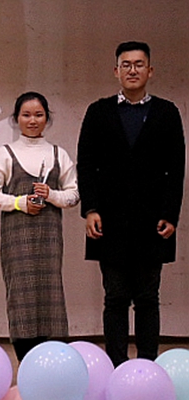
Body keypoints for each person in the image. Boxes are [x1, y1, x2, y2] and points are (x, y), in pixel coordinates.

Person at [77, 41, 185, 366]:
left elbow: (176, 168)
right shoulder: (98, 111)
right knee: (115, 298)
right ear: (116, 71)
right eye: (126, 64)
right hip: (109, 221)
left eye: (139, 64)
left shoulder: (167, 112)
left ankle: (149, 365)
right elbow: (86, 164)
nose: (133, 70)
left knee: (148, 298)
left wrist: (170, 214)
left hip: (153, 222)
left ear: (150, 71)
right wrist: (90, 209)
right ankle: (117, 365)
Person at [0, 92, 79, 361]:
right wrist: (19, 203)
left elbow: (74, 195)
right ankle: (25, 360)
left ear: (47, 118)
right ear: (16, 119)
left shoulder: (58, 153)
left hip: (49, 238)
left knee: (50, 294)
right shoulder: (6, 153)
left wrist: (52, 195)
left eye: (38, 115)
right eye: (26, 115)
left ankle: (51, 360)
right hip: (16, 237)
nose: (32, 120)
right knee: (20, 296)